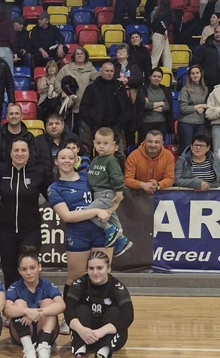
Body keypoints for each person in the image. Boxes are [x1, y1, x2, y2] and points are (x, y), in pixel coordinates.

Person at [48, 147, 113, 331]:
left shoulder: (88, 179)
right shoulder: (54, 188)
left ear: (76, 160)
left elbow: (110, 196)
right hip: (77, 235)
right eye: (63, 158)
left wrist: (109, 211)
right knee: (75, 277)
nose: (67, 161)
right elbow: (67, 216)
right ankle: (69, 317)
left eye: (71, 158)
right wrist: (95, 211)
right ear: (56, 161)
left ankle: (102, 315)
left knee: (102, 274)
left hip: (101, 232)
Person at [66, 251, 134, 358]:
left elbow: (128, 316)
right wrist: (81, 330)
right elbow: (68, 310)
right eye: (91, 268)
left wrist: (101, 332)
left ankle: (101, 357)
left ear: (108, 268)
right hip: (85, 335)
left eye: (99, 268)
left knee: (115, 311)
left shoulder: (117, 287)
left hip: (108, 335)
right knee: (81, 309)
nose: (95, 272)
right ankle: (80, 355)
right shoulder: (79, 284)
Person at [0, 139, 51, 287]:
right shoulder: (1, 171)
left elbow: (53, 196)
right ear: (10, 152)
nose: (20, 153)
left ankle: (29, 300)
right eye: (16, 150)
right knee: (9, 271)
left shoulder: (38, 172)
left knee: (29, 271)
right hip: (6, 231)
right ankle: (11, 300)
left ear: (29, 152)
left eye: (23, 150)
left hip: (30, 232)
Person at [3, 248, 65, 358]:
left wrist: (38, 313)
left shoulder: (47, 285)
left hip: (46, 330)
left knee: (48, 302)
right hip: (22, 333)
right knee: (19, 303)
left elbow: (61, 305)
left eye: (32, 268)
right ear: (19, 271)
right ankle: (29, 350)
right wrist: (27, 311)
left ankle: (43, 347)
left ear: (39, 267)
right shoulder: (15, 287)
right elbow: (6, 310)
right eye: (24, 269)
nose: (29, 272)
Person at [85, 128, 132, 256]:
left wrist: (119, 192)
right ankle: (122, 240)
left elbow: (117, 176)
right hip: (98, 194)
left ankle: (109, 229)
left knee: (87, 213)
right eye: (98, 143)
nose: (101, 146)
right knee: (112, 217)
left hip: (106, 194)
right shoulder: (95, 160)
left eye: (105, 143)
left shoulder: (111, 160)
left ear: (113, 145)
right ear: (94, 143)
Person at [79, 62, 127, 151]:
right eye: (107, 71)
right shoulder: (92, 88)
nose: (109, 73)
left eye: (111, 71)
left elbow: (125, 106)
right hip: (95, 127)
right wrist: (92, 123)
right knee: (94, 152)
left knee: (119, 153)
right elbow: (83, 108)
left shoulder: (119, 87)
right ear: (101, 71)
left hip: (115, 127)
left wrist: (121, 122)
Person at [59, 47, 98, 132]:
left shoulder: (92, 69)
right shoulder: (66, 69)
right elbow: (57, 82)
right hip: (69, 107)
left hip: (86, 106)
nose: (79, 55)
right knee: (67, 132)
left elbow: (98, 83)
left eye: (82, 53)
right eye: (77, 54)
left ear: (85, 56)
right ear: (74, 56)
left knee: (83, 132)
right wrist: (62, 92)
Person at [0, 103, 34, 169]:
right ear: (7, 117)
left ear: (22, 116)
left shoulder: (29, 137)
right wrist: (5, 169)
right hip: (0, 172)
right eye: (11, 114)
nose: (14, 116)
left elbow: (33, 158)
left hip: (24, 172)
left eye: (17, 113)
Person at [178, 65, 209, 151]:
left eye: (197, 73)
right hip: (186, 123)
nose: (195, 75)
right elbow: (183, 109)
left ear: (201, 74)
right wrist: (198, 106)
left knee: (198, 149)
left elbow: (207, 105)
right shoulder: (185, 89)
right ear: (189, 76)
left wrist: (203, 107)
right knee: (186, 149)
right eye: (192, 73)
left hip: (200, 123)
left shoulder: (205, 89)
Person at [141, 67, 174, 139]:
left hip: (161, 123)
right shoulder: (143, 89)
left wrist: (151, 106)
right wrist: (160, 103)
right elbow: (144, 105)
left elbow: (167, 107)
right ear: (150, 77)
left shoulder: (165, 90)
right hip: (146, 123)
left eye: (159, 77)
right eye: (154, 76)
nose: (156, 78)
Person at [0, 5, 16, 73]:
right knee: (8, 74)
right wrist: (15, 51)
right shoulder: (8, 22)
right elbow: (12, 39)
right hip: (5, 50)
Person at [149, 0, 172, 69]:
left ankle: (168, 71)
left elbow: (152, 24)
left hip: (159, 34)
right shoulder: (165, 13)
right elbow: (161, 21)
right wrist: (165, 29)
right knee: (159, 56)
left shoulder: (157, 13)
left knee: (166, 56)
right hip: (160, 34)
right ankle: (152, 71)